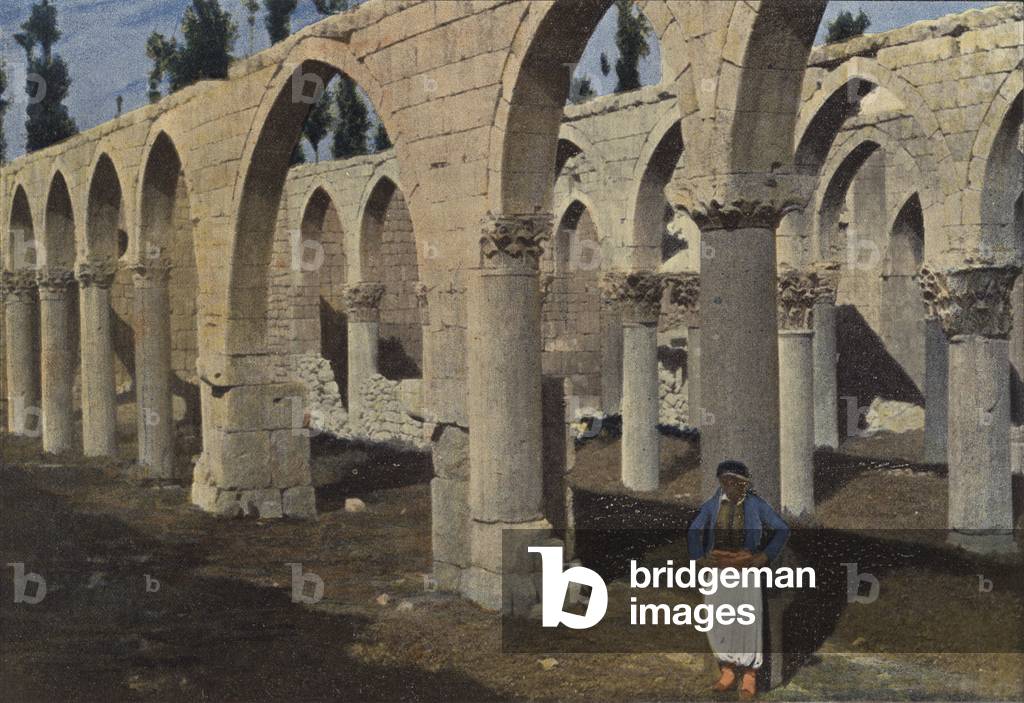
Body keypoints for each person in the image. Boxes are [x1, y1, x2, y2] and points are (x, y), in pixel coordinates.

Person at [686, 460, 790, 700]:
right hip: (718, 570)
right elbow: (694, 530)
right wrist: (699, 557)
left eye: (737, 482)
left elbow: (782, 529)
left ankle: (750, 674)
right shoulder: (713, 505)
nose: (731, 486)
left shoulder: (755, 504)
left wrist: (764, 555)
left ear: (745, 483)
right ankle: (728, 670)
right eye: (727, 481)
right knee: (717, 620)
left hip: (745, 570)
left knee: (746, 621)